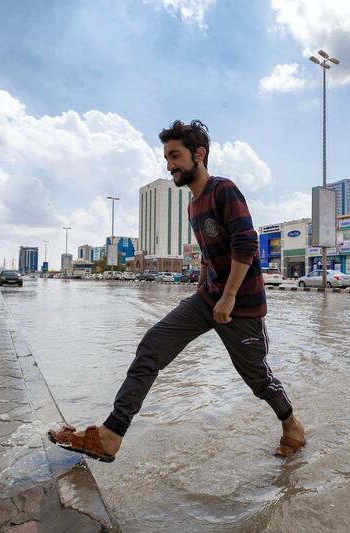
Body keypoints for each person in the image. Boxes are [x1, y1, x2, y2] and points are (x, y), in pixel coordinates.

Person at [48, 120, 305, 462]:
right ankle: (111, 434)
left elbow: (246, 243)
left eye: (175, 156)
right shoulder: (193, 205)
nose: (169, 165)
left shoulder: (223, 189)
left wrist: (228, 296)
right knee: (152, 346)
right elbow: (208, 250)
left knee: (257, 378)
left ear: (199, 154)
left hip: (241, 306)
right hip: (208, 298)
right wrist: (202, 285)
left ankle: (292, 426)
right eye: (166, 157)